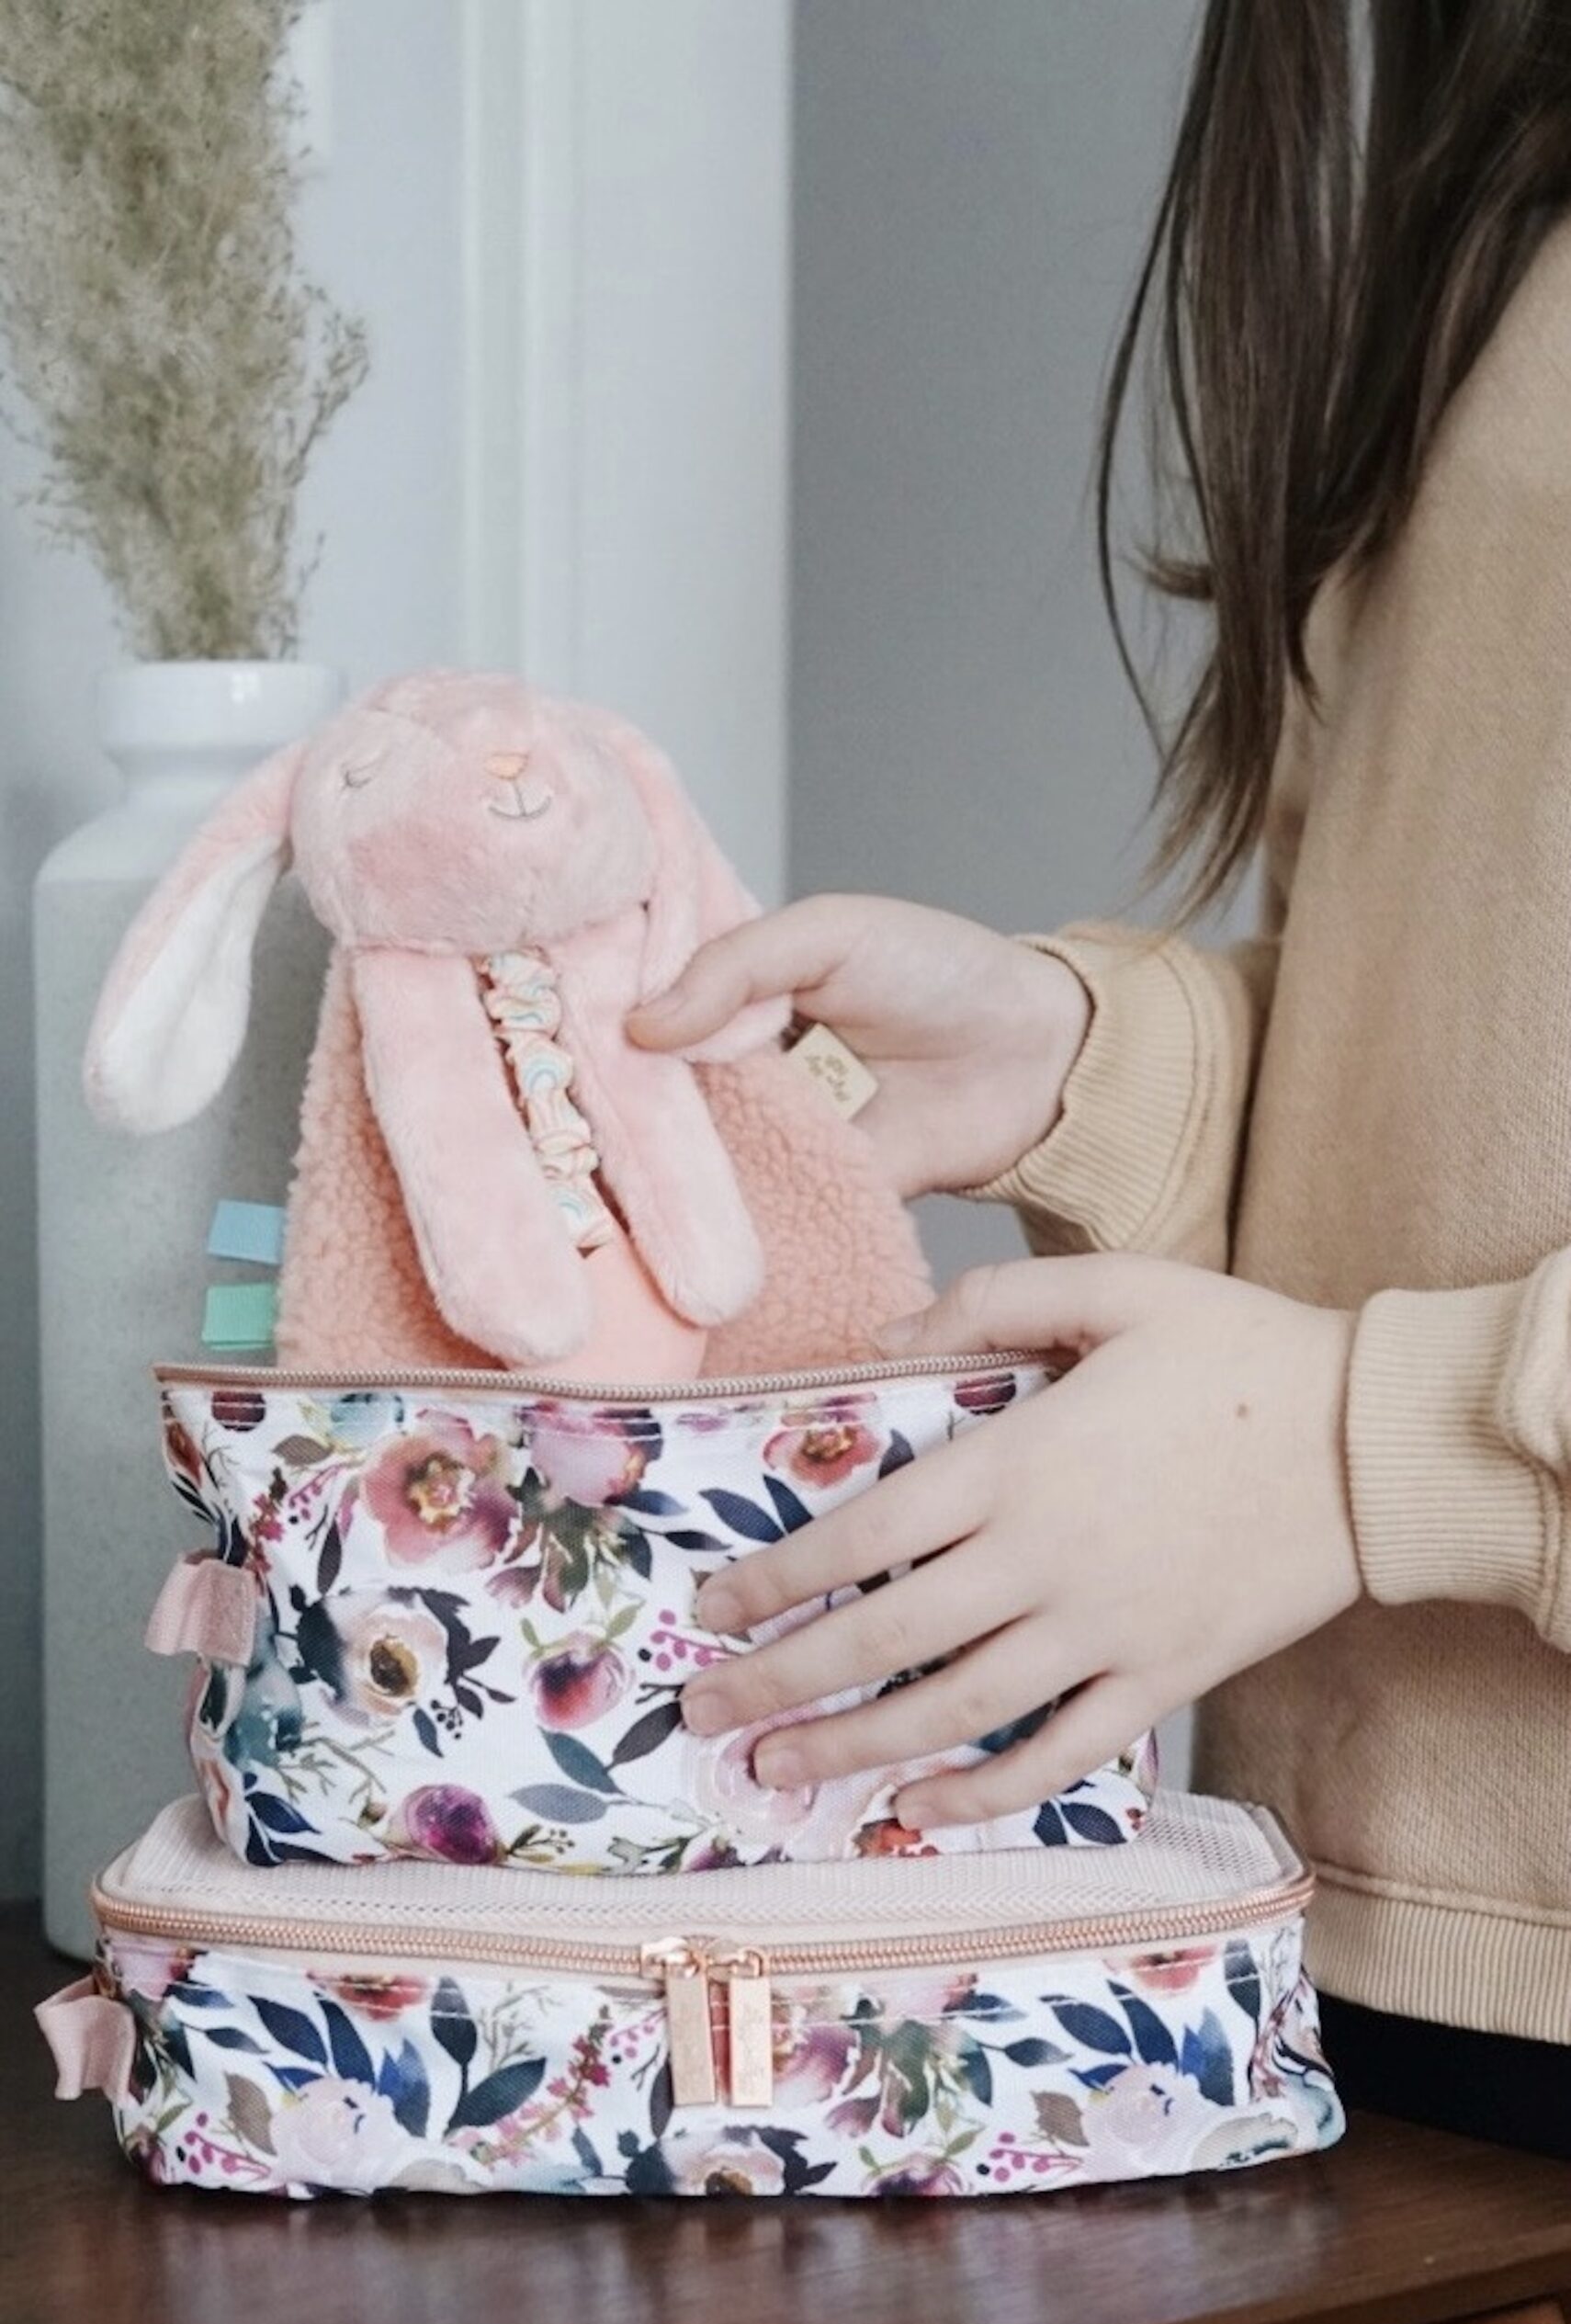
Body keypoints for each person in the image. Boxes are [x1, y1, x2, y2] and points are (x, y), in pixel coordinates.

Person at [628, 1, 1571, 2160]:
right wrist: (1101, 1061)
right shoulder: (1503, 197)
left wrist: (1362, 1441)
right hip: (1331, 1951)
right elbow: (1467, 989)